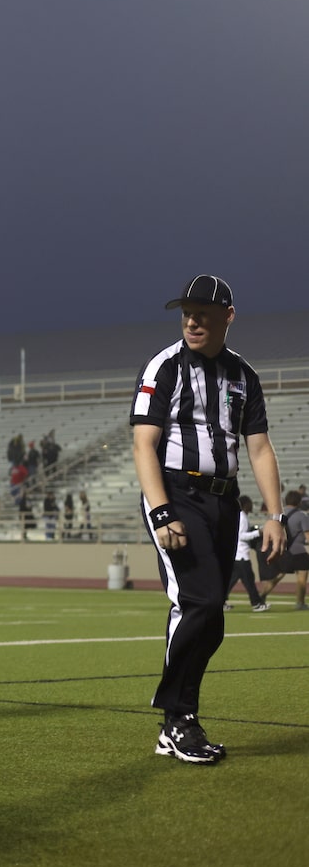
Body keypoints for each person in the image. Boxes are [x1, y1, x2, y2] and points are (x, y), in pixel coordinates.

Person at [131, 274, 287, 764]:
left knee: (213, 615)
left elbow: (258, 448)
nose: (193, 320)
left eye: (203, 312)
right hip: (176, 493)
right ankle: (177, 718)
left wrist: (275, 515)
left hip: (224, 501)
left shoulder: (244, 375)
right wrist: (160, 511)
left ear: (228, 316)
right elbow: (143, 444)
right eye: (187, 312)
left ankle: (178, 719)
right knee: (196, 603)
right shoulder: (166, 366)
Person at [260, 489, 309, 609]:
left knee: (277, 576)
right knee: (302, 578)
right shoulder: (301, 515)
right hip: (298, 551)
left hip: (283, 550)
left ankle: (261, 596)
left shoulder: (278, 515)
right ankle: (300, 603)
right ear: (298, 502)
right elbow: (308, 536)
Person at [227, 495, 269, 612]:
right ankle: (256, 603)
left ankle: (221, 601)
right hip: (242, 555)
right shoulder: (242, 517)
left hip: (238, 554)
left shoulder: (240, 516)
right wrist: (258, 533)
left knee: (232, 581)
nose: (251, 506)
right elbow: (241, 536)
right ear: (245, 504)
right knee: (249, 580)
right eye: (249, 503)